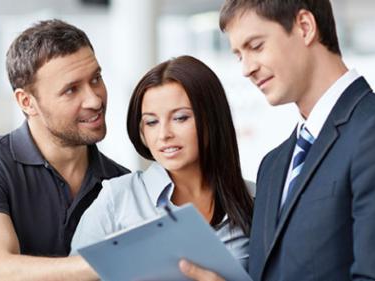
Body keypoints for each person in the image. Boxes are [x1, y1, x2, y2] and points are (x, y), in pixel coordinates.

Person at [180, 1, 375, 280]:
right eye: (238, 55)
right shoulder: (273, 166)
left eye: (256, 46)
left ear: (305, 27)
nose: (246, 69)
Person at [0, 19, 128, 281]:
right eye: (71, 90)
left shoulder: (120, 183)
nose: (94, 99)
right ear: (27, 102)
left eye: (96, 79)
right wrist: (117, 261)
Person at [70, 55, 255, 269]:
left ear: (212, 118)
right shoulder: (117, 199)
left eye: (180, 118)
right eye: (151, 122)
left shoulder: (256, 200)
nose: (164, 134)